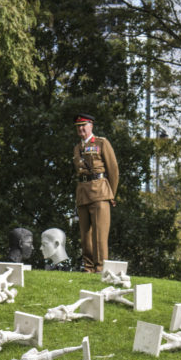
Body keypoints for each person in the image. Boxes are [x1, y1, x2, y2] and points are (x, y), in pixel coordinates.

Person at [72, 114, 118, 272]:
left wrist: (111, 194)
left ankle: (100, 268)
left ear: (91, 126)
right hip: (82, 193)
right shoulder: (77, 148)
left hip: (100, 192)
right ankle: (88, 267)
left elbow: (113, 170)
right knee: (85, 235)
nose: (81, 129)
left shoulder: (101, 143)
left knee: (99, 234)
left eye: (84, 125)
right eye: (78, 126)